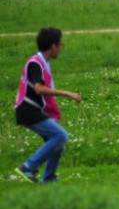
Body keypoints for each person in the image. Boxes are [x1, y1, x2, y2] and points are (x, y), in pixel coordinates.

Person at [14, 27, 82, 184]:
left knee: (57, 143)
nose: (60, 49)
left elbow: (44, 94)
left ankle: (49, 178)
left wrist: (54, 113)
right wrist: (67, 93)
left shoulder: (43, 63)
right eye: (60, 45)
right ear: (53, 46)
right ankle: (28, 167)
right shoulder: (35, 63)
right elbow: (39, 89)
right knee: (60, 136)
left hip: (34, 109)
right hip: (28, 110)